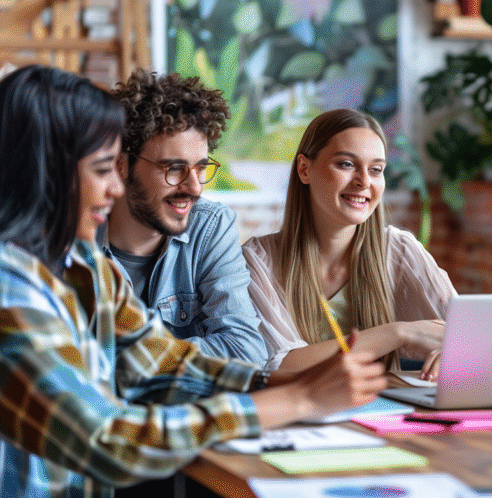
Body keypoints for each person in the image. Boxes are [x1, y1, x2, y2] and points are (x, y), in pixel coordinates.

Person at [0, 65, 386, 498]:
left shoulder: (83, 262)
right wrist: (299, 400)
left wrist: (285, 384)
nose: (115, 188)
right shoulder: (9, 286)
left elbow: (163, 362)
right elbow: (106, 441)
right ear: (47, 173)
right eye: (104, 169)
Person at [243, 108, 455, 379]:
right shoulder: (259, 261)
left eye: (376, 169)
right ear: (305, 169)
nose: (364, 182)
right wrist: (398, 333)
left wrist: (455, 351)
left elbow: (471, 339)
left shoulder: (400, 252)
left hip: (387, 404)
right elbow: (279, 367)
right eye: (346, 164)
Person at [97, 69, 266, 365]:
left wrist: (125, 357)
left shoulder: (210, 227)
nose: (195, 187)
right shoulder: (75, 236)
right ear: (121, 165)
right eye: (174, 169)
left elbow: (246, 350)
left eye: (200, 168)